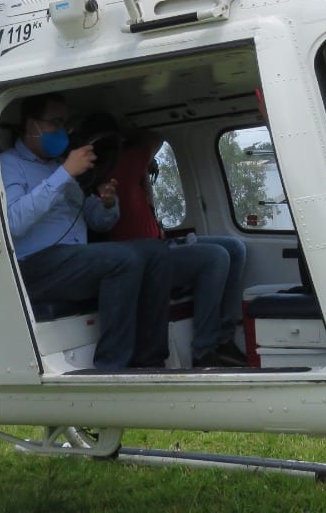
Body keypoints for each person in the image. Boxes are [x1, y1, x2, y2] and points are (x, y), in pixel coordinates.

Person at [0, 93, 171, 370]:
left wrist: (108, 204)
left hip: (72, 261)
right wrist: (65, 173)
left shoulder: (57, 167)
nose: (62, 131)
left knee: (156, 252)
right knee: (123, 259)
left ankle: (150, 360)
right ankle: (112, 367)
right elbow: (14, 223)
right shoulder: (9, 164)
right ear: (32, 125)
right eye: (55, 123)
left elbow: (96, 222)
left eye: (64, 125)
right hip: (34, 267)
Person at [79, 112, 247, 368]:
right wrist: (129, 132)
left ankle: (224, 339)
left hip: (161, 244)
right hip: (148, 258)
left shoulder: (121, 170)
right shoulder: (122, 164)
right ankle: (204, 349)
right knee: (216, 256)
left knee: (235, 247)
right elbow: (154, 138)